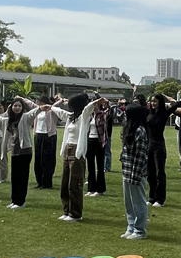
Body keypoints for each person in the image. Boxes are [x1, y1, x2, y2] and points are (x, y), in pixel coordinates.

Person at [49, 93, 107, 222]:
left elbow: (88, 109)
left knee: (74, 184)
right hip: (68, 150)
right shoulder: (70, 117)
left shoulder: (83, 117)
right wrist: (52, 105)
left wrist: (97, 101)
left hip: (77, 151)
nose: (68, 107)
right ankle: (66, 210)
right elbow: (57, 110)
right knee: (65, 183)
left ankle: (75, 213)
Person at [0, 98, 36, 209]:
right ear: (11, 107)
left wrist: (27, 101)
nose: (17, 108)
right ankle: (14, 200)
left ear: (22, 107)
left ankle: (21, 202)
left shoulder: (26, 117)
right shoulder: (9, 120)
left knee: (22, 177)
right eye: (15, 106)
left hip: (25, 151)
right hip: (15, 152)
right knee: (15, 177)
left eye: (19, 106)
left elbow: (35, 110)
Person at [120, 103, 150, 240]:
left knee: (138, 202)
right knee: (129, 203)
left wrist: (135, 175)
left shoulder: (140, 131)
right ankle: (130, 227)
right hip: (126, 171)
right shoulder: (129, 129)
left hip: (136, 173)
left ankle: (139, 230)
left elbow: (140, 155)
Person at [146, 93, 178, 207]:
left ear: (160, 102)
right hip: (149, 146)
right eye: (151, 101)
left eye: (155, 101)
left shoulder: (164, 113)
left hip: (159, 146)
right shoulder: (149, 113)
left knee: (160, 173)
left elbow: (175, 105)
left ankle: (160, 199)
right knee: (150, 173)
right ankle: (151, 197)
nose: (153, 103)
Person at [86, 95, 110, 197]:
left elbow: (109, 110)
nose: (94, 106)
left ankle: (100, 189)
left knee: (100, 166)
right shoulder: (89, 116)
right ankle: (91, 188)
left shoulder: (102, 114)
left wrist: (106, 103)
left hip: (99, 141)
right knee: (90, 165)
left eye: (95, 105)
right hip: (90, 140)